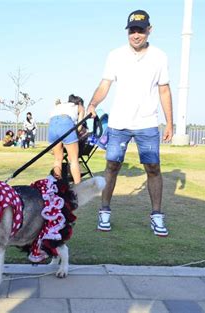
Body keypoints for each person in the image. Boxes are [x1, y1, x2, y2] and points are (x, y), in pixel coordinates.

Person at [87, 10, 173, 237]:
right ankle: (104, 211)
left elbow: (164, 90)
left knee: (153, 168)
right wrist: (92, 104)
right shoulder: (115, 55)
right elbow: (105, 84)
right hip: (119, 123)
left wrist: (170, 123)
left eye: (140, 30)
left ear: (149, 30)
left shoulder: (160, 56)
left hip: (148, 122)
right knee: (112, 166)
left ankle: (157, 216)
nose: (136, 35)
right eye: (132, 31)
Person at [48, 94, 85, 184]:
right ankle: (78, 187)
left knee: (57, 159)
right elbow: (79, 127)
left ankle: (57, 186)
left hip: (52, 125)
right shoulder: (80, 107)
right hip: (66, 123)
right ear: (79, 102)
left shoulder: (59, 106)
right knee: (73, 160)